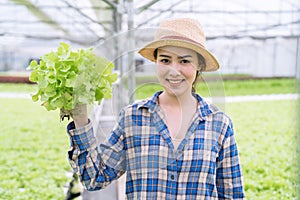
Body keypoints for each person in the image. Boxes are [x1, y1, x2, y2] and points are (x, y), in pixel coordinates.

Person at [66, 18, 245, 199]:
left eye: (184, 61)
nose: (174, 70)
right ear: (156, 62)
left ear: (199, 65)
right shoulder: (133, 117)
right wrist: (80, 118)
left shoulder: (219, 124)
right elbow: (95, 177)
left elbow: (232, 195)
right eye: (165, 60)